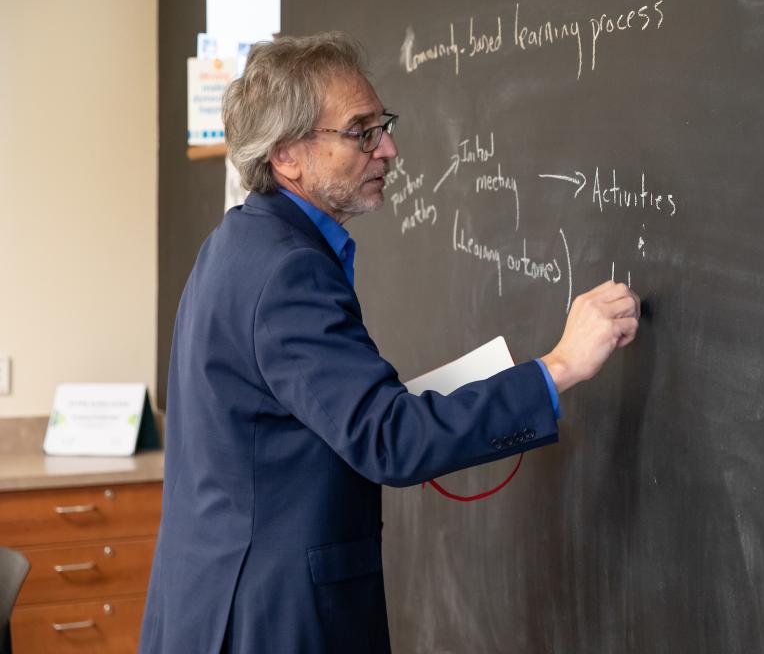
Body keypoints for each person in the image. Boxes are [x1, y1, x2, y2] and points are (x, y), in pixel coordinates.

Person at [139, 32, 640, 654]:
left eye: (384, 125)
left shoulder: (237, 244)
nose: (389, 149)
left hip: (212, 599)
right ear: (289, 154)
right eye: (361, 132)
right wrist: (559, 367)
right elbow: (389, 440)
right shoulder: (288, 269)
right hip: (270, 617)